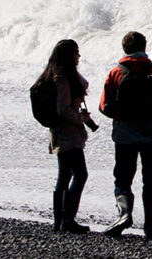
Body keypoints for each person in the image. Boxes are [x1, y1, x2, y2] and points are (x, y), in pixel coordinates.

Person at [99, 30, 152, 240]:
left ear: (124, 49)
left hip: (124, 135)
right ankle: (151, 228)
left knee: (123, 179)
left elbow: (104, 108)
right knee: (151, 180)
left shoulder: (116, 73)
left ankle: (125, 214)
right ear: (144, 47)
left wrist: (124, 114)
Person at [33, 39, 93, 234]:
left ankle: (60, 221)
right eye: (76, 52)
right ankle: (68, 219)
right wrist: (79, 118)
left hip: (60, 133)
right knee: (80, 174)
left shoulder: (56, 74)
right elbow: (63, 109)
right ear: (69, 55)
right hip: (68, 134)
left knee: (65, 175)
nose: (79, 56)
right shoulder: (63, 77)